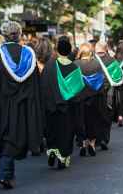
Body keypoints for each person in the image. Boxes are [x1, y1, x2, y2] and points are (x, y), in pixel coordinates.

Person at [0, 21, 43, 189]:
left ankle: (6, 174)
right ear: (19, 34)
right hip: (24, 106)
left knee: (7, 137)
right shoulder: (29, 55)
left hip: (3, 105)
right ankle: (6, 174)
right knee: (16, 137)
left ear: (4, 35)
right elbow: (35, 85)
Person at [42, 36, 85, 169]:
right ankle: (63, 157)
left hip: (51, 107)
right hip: (67, 108)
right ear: (69, 50)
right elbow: (78, 91)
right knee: (66, 133)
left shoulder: (49, 66)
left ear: (57, 49)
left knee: (52, 131)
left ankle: (52, 151)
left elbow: (43, 86)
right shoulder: (74, 68)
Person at [94, 41, 123, 150]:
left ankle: (96, 139)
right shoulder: (112, 60)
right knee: (107, 117)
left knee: (96, 116)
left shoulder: (92, 60)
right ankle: (104, 139)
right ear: (106, 49)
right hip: (109, 94)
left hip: (95, 93)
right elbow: (119, 77)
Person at [75, 43, 104, 157]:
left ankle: (82, 143)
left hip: (79, 97)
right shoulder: (96, 64)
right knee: (92, 121)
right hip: (94, 97)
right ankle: (91, 144)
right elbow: (100, 82)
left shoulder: (75, 64)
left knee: (80, 121)